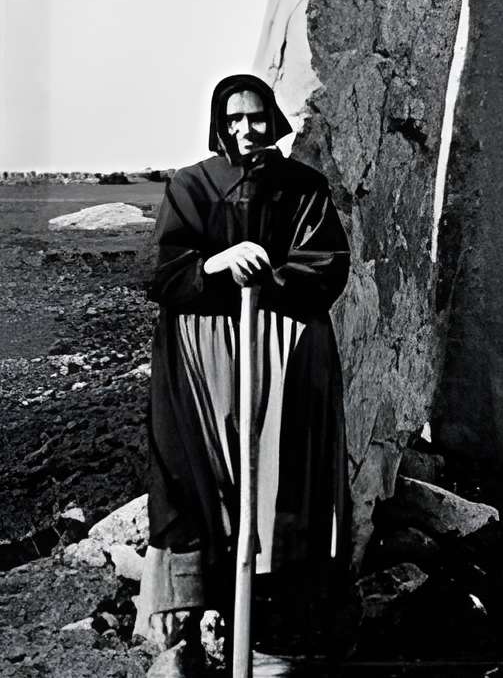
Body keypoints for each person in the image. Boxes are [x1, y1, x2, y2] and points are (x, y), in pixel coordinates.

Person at [141, 74, 353, 676]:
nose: (245, 128)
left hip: (284, 346)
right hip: (205, 356)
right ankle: (197, 629)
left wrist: (267, 276)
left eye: (256, 116)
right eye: (233, 118)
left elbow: (328, 263)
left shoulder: (303, 186)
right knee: (206, 473)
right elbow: (164, 271)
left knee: (284, 474)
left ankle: (276, 630)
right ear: (218, 122)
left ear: (273, 118)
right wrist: (216, 262)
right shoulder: (192, 184)